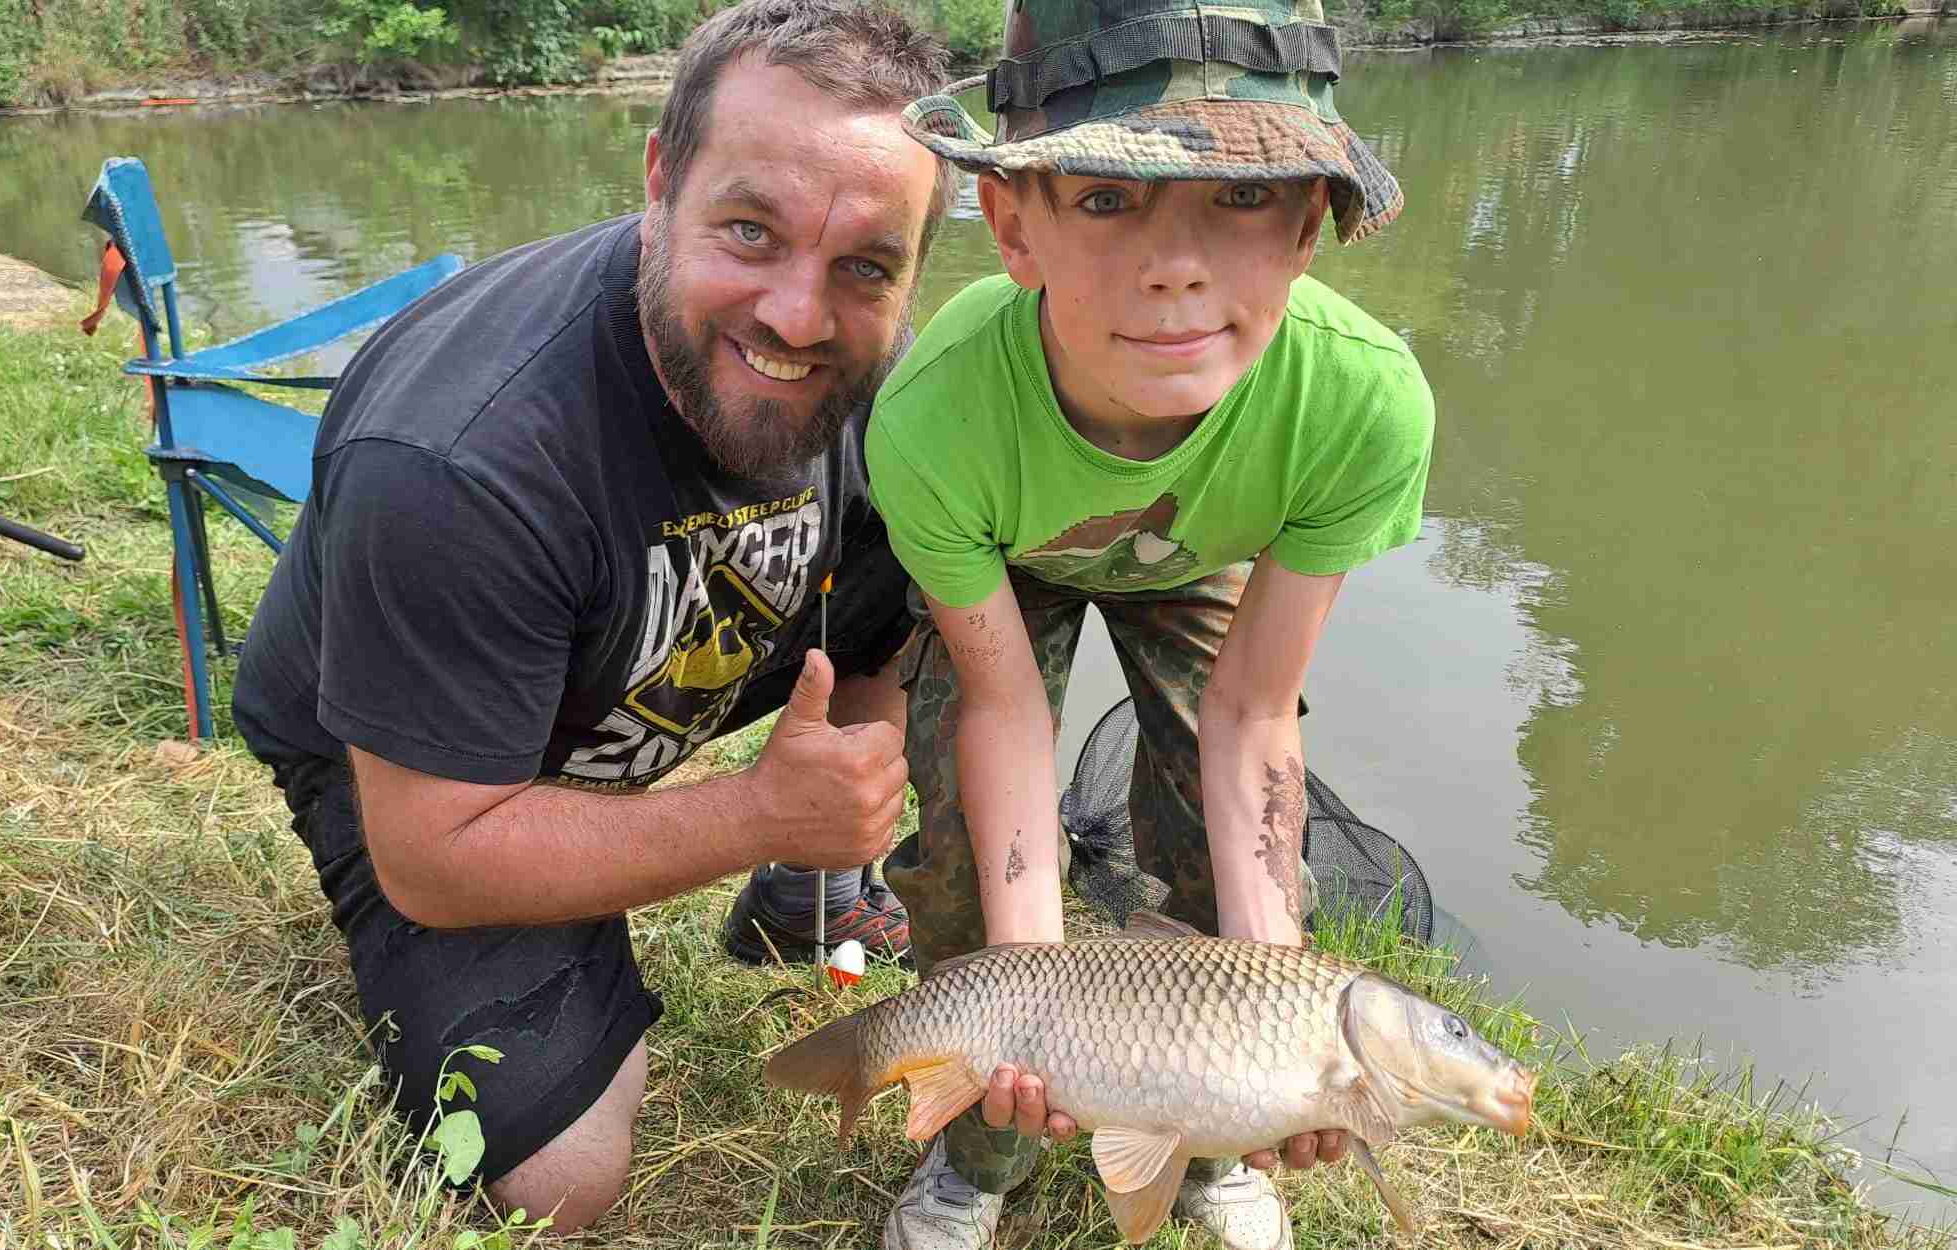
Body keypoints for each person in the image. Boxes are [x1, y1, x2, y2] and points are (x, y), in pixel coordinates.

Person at [231, 0, 955, 1231]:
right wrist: (749, 811)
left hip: (655, 646)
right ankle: (723, 845)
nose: (796, 315)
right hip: (419, 764)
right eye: (748, 230)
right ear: (659, 180)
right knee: (562, 1182)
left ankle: (811, 887)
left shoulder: (888, 380)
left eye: (864, 267)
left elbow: (888, 623)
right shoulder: (462, 459)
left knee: (945, 541)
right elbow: (435, 854)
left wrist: (829, 823)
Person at [864, 0, 1433, 1244]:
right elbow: (1007, 710)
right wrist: (1031, 993)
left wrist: (1286, 1005)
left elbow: (1250, 710)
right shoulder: (931, 418)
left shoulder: (1362, 406)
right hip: (1009, 554)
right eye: (1110, 200)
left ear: (1311, 227)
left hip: (1199, 557)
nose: (1175, 265)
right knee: (965, 846)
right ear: (1012, 226)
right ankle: (980, 1150)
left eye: (1240, 197)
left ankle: (1222, 1128)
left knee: (1218, 849)